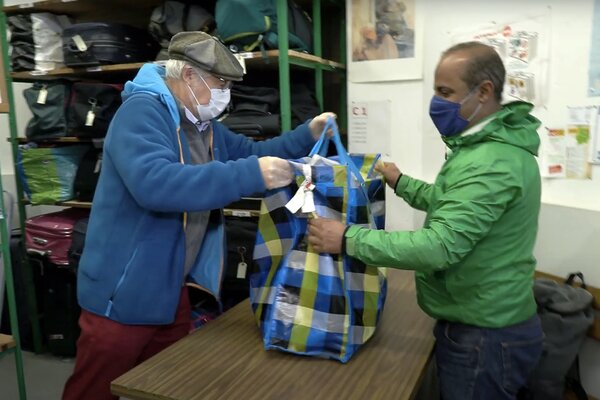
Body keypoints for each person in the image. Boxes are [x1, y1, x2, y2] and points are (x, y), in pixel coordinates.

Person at [62, 31, 335, 400]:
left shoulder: (201, 126)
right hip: (121, 293)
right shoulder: (141, 113)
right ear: (188, 76)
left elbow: (252, 151)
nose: (226, 94)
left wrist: (308, 132)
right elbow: (155, 184)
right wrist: (251, 174)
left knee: (165, 386)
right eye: (221, 83)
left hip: (172, 287)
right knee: (93, 391)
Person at [307, 41, 544, 400]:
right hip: (487, 321)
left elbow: (438, 246)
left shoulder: (489, 162)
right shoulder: (488, 149)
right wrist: (401, 182)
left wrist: (346, 239)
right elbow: (449, 204)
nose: (437, 102)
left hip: (484, 336)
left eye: (446, 92)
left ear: (484, 91)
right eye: (436, 91)